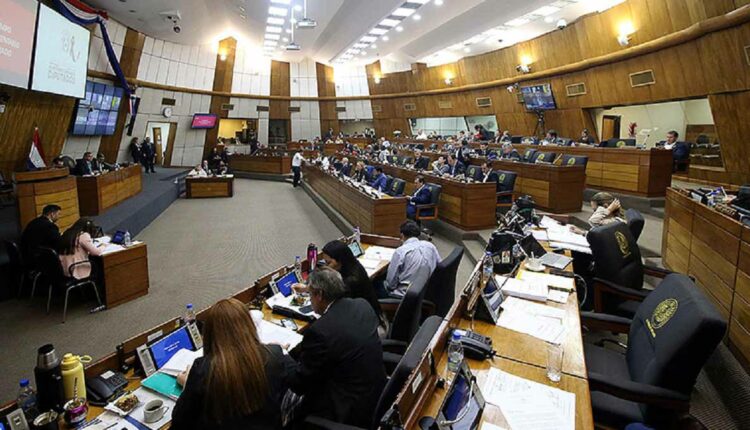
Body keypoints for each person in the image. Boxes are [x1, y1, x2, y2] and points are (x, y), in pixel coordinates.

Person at [171, 298, 294, 430]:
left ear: (210, 333)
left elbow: (180, 421)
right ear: (249, 326)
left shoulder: (202, 369)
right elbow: (303, 380)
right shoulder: (274, 355)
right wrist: (281, 352)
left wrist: (188, 384)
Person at [287, 268, 386, 427]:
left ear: (319, 295)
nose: (310, 298)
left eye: (310, 294)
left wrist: (283, 356)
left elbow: (300, 385)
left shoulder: (320, 332)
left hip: (345, 409)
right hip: (375, 391)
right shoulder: (362, 305)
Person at [319, 240, 382, 320]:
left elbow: (331, 297)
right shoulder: (353, 266)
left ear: (340, 260)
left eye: (328, 263)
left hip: (367, 322)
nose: (326, 266)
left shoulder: (352, 280)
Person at [381, 220, 441, 298]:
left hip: (406, 296)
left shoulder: (400, 252)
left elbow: (391, 285)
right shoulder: (430, 246)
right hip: (428, 291)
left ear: (402, 235)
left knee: (375, 284)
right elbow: (440, 266)